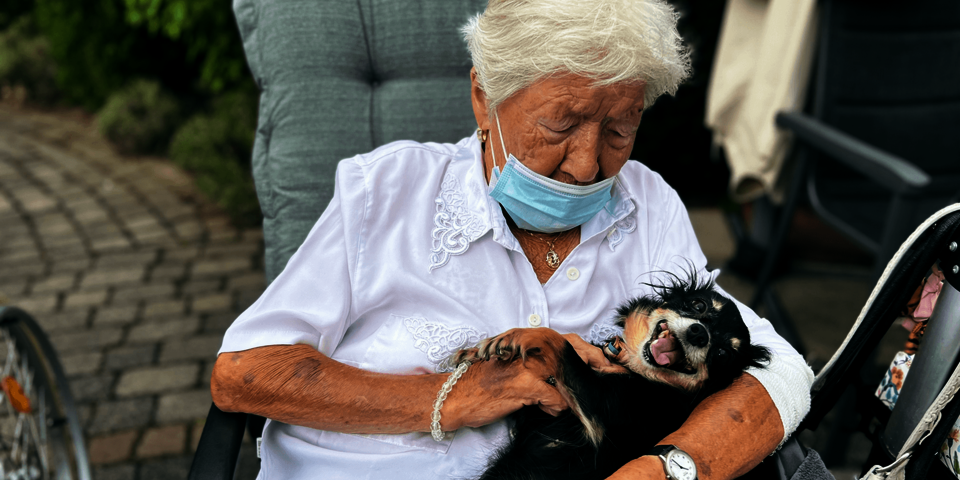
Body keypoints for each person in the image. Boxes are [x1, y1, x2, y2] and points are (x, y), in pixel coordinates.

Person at [211, 0, 815, 478]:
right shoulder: (387, 190)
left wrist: (667, 470)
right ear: (484, 98)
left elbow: (778, 368)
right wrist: (449, 396)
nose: (586, 164)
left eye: (619, 129)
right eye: (561, 124)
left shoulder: (647, 201)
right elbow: (244, 374)